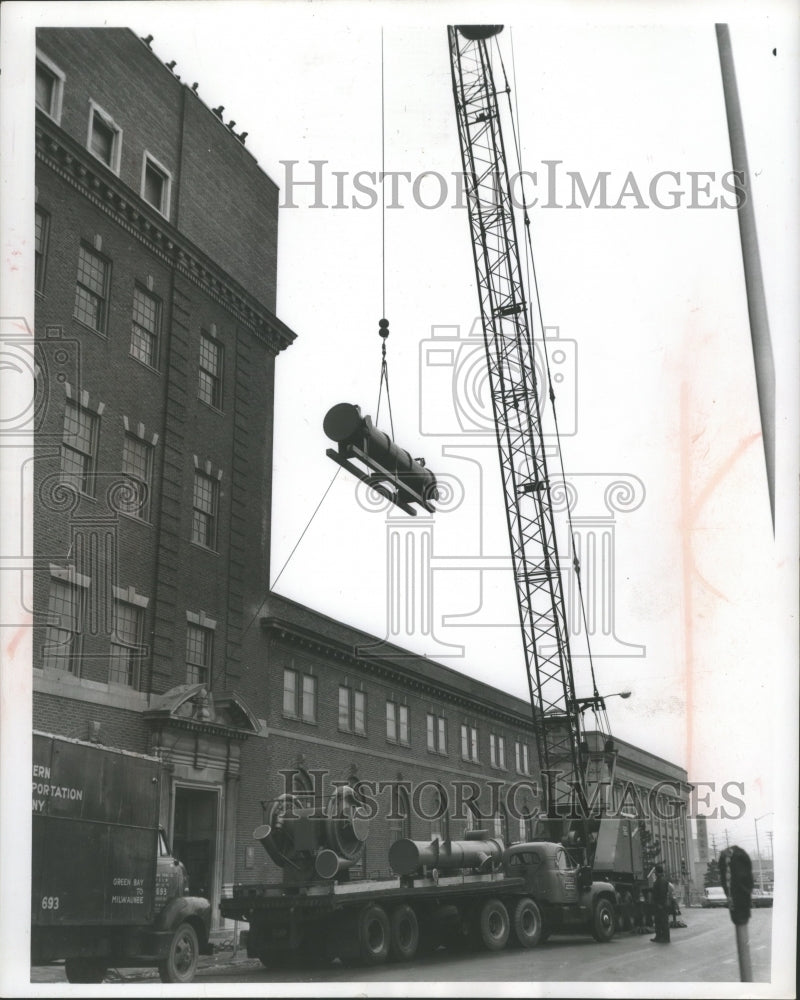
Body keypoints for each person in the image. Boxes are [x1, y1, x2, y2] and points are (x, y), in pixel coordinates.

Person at [651, 865, 671, 943]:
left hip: (661, 905)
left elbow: (662, 893)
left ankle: (665, 938)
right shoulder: (661, 880)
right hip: (660, 904)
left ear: (657, 872)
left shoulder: (661, 881)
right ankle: (659, 936)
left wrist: (660, 904)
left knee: (663, 921)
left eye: (655, 871)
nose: (654, 873)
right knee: (658, 921)